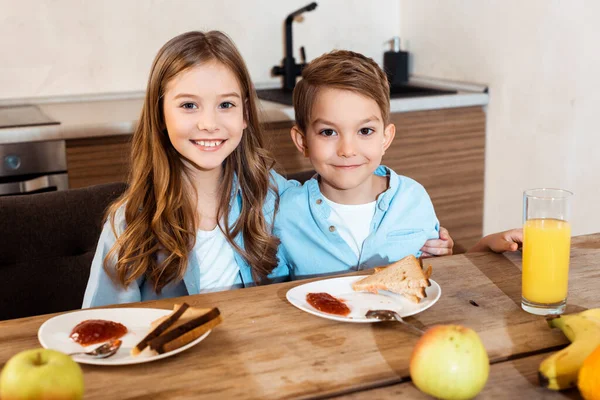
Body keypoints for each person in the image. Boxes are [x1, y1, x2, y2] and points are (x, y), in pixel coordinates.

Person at [83, 31, 295, 307]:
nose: (209, 123)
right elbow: (104, 327)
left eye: (226, 104)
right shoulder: (129, 223)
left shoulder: (275, 196)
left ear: (245, 115)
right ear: (160, 115)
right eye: (189, 105)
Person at [275, 50, 453, 280]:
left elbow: (434, 274)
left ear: (385, 138)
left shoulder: (413, 199)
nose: (348, 150)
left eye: (365, 131)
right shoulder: (285, 214)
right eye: (328, 132)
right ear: (303, 141)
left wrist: (444, 259)